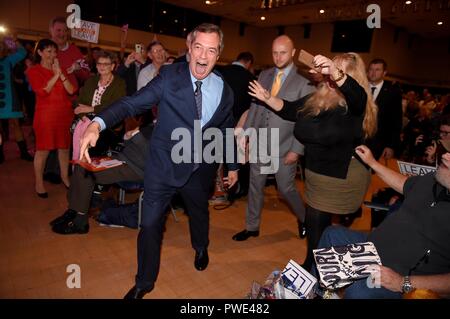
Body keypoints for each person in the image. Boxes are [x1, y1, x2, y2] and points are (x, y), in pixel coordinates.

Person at [78, 23, 238, 299]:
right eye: (198, 47)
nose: (203, 56)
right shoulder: (169, 77)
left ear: (218, 54)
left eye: (211, 50)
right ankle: (144, 281)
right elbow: (132, 103)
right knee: (150, 224)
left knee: (199, 213)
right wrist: (98, 123)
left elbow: (225, 129)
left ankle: (201, 247)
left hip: (200, 169)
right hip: (163, 166)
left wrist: (233, 165)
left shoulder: (224, 89)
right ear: (189, 49)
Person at [248, 52, 377, 270]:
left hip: (340, 174)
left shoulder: (354, 103)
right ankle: (316, 267)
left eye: (337, 70)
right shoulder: (319, 96)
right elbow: (289, 110)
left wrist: (335, 72)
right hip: (316, 172)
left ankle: (314, 270)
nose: (329, 74)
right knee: (317, 223)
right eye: (331, 69)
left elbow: (357, 95)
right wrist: (267, 97)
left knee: (317, 224)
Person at [313, 146, 450, 299]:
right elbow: (405, 184)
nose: (445, 156)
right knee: (332, 234)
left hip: (402, 276)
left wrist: (403, 282)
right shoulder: (434, 179)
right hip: (373, 250)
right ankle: (320, 294)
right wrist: (372, 163)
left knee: (360, 291)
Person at [232, 35, 315, 242]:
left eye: (283, 52)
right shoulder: (264, 75)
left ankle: (305, 218)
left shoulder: (305, 80)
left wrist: (296, 150)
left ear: (293, 53)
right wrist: (247, 134)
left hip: (285, 146)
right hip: (260, 142)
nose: (278, 57)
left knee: (286, 189)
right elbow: (255, 106)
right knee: (255, 186)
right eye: (274, 53)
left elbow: (306, 119)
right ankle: (252, 227)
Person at [50, 123, 153, 234]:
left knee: (86, 173)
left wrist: (137, 136)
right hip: (121, 159)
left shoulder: (167, 131)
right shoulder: (152, 124)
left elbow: (154, 160)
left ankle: (80, 222)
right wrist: (127, 137)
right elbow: (129, 145)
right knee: (81, 166)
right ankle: (72, 211)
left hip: (137, 169)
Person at [26, 39, 76, 197]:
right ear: (40, 52)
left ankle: (65, 177)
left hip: (64, 114)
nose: (52, 55)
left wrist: (60, 73)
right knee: (43, 151)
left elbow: (71, 90)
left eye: (54, 51)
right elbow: (43, 91)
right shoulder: (33, 71)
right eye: (48, 51)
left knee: (64, 149)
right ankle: (39, 183)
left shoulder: (60, 69)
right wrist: (56, 75)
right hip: (45, 116)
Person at [72, 51, 126, 159]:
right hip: (86, 120)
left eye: (106, 64)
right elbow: (78, 102)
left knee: (96, 156)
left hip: (109, 124)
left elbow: (116, 106)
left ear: (112, 66)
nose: (102, 66)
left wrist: (91, 108)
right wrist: (82, 116)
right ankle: (80, 170)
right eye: (99, 64)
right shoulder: (91, 81)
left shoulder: (119, 83)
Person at [0, 34, 34, 163]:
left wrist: (13, 41)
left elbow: (22, 52)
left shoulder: (9, 59)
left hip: (10, 98)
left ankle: (24, 152)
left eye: (1, 46)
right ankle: (0, 154)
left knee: (16, 124)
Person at [366, 58, 403, 160]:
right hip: (358, 139)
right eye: (371, 69)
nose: (373, 73)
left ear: (384, 73)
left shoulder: (393, 92)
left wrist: (391, 146)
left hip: (379, 142)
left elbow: (396, 121)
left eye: (377, 70)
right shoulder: (361, 87)